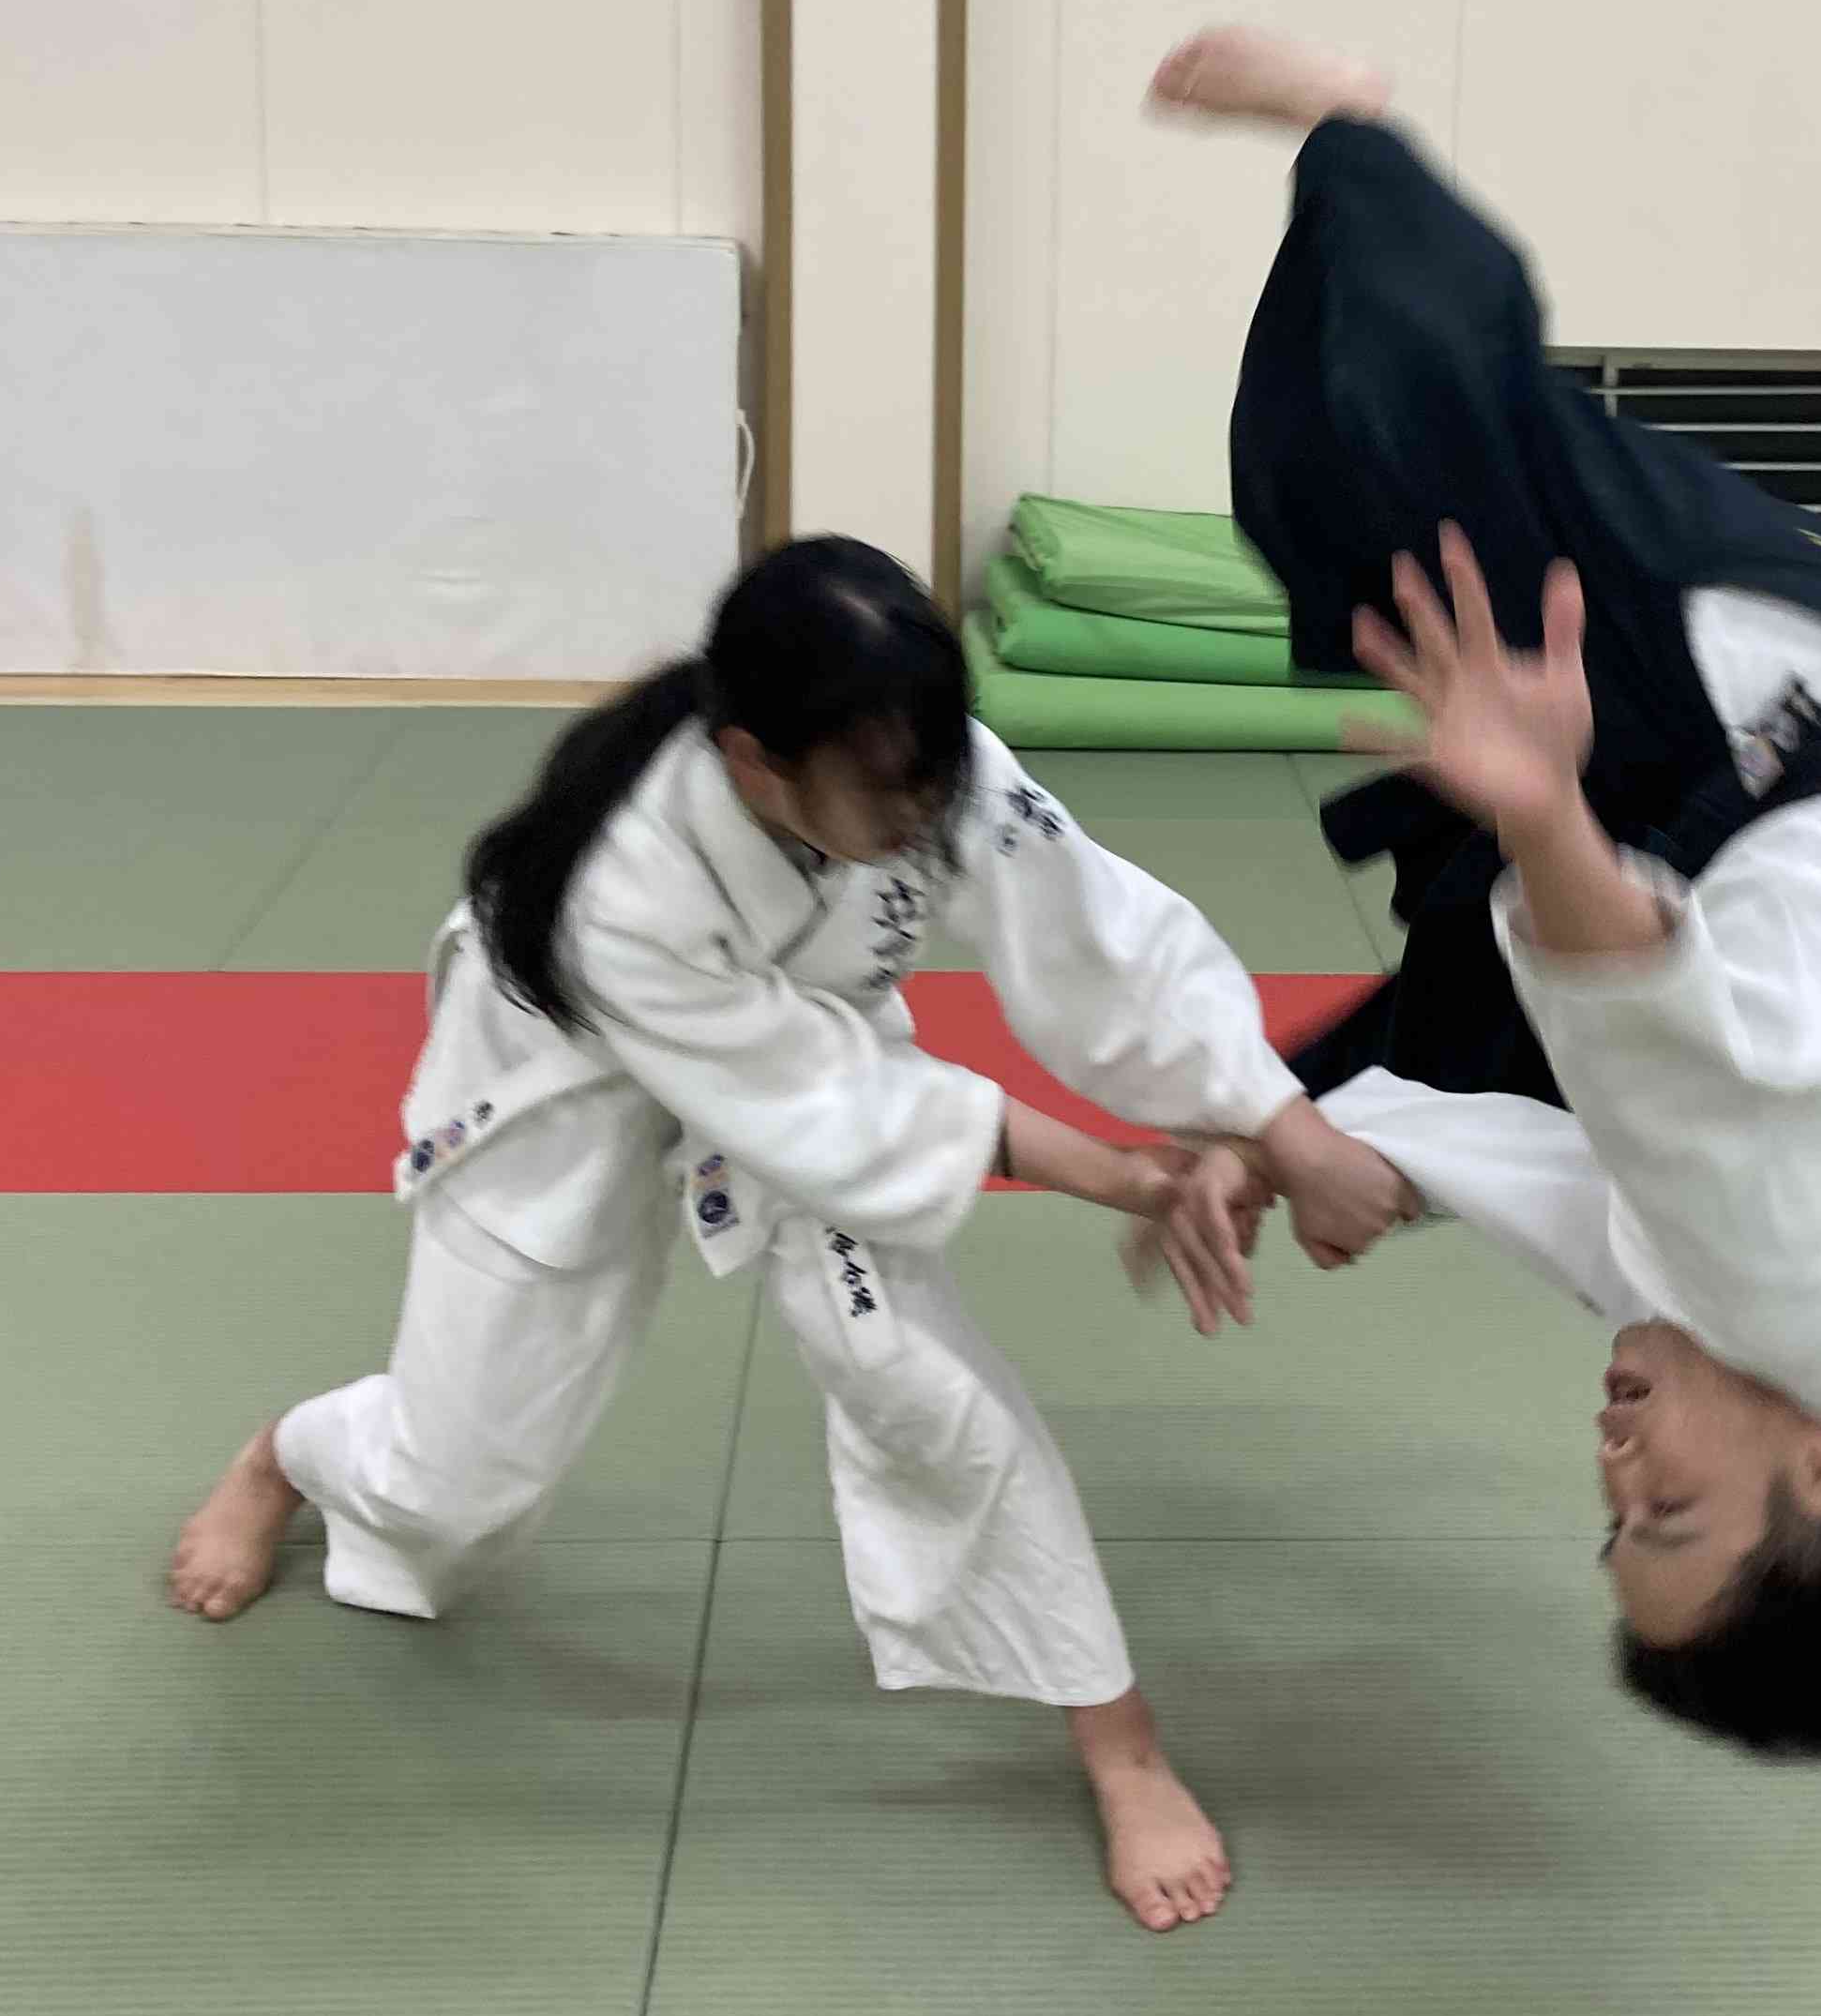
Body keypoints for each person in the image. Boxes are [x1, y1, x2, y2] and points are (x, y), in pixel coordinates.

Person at [168, 534, 1404, 1930]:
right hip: (564, 1075)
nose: (925, 815)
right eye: (891, 798)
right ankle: (287, 1454)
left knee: (921, 1379)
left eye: (939, 778)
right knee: (457, 1484)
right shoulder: (622, 892)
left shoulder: (914, 756)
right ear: (753, 761)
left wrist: (1282, 1127)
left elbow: (1103, 941)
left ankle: (1121, 1746)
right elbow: (840, 1109)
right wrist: (1136, 1181)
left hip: (808, 1043)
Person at [1140, 27, 1821, 1758]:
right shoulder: (1784, 1263)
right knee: (1395, 483)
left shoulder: (1797, 1325)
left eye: (1614, 1525)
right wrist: (1541, 810)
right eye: (1667, 1511)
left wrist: (1277, 1137)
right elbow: (1631, 986)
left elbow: (1551, 1159)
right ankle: (1358, 126)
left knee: (1444, 1018)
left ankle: (1296, 1071)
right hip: (1775, 710)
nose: (1614, 1467)